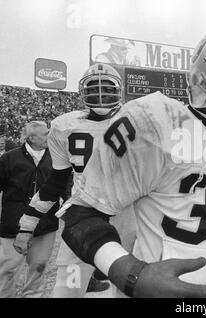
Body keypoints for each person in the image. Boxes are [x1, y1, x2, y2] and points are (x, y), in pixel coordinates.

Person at [58, 25, 206, 298]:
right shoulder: (155, 123)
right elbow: (80, 216)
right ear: (201, 78)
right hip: (154, 288)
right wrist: (129, 272)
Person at [14, 63, 137, 297]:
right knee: (67, 290)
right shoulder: (64, 126)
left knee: (126, 288)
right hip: (84, 213)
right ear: (83, 92)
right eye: (94, 87)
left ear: (118, 91)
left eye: (106, 87)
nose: (101, 93)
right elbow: (56, 182)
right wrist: (26, 227)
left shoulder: (137, 120)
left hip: (128, 214)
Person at [0, 121, 62, 297]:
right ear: (32, 138)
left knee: (39, 267)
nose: (49, 137)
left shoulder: (56, 156)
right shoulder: (9, 158)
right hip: (14, 224)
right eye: (45, 134)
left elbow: (65, 183)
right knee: (8, 269)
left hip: (45, 224)